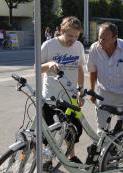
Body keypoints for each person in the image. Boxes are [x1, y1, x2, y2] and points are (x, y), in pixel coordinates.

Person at [40, 16, 85, 164]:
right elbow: (37, 68)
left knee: (72, 129)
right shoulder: (48, 45)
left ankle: (71, 155)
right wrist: (49, 65)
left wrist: (80, 91)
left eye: (76, 36)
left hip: (70, 97)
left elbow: (80, 69)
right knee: (50, 131)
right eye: (70, 35)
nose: (73, 39)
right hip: (51, 96)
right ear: (61, 30)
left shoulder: (78, 46)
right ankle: (47, 159)